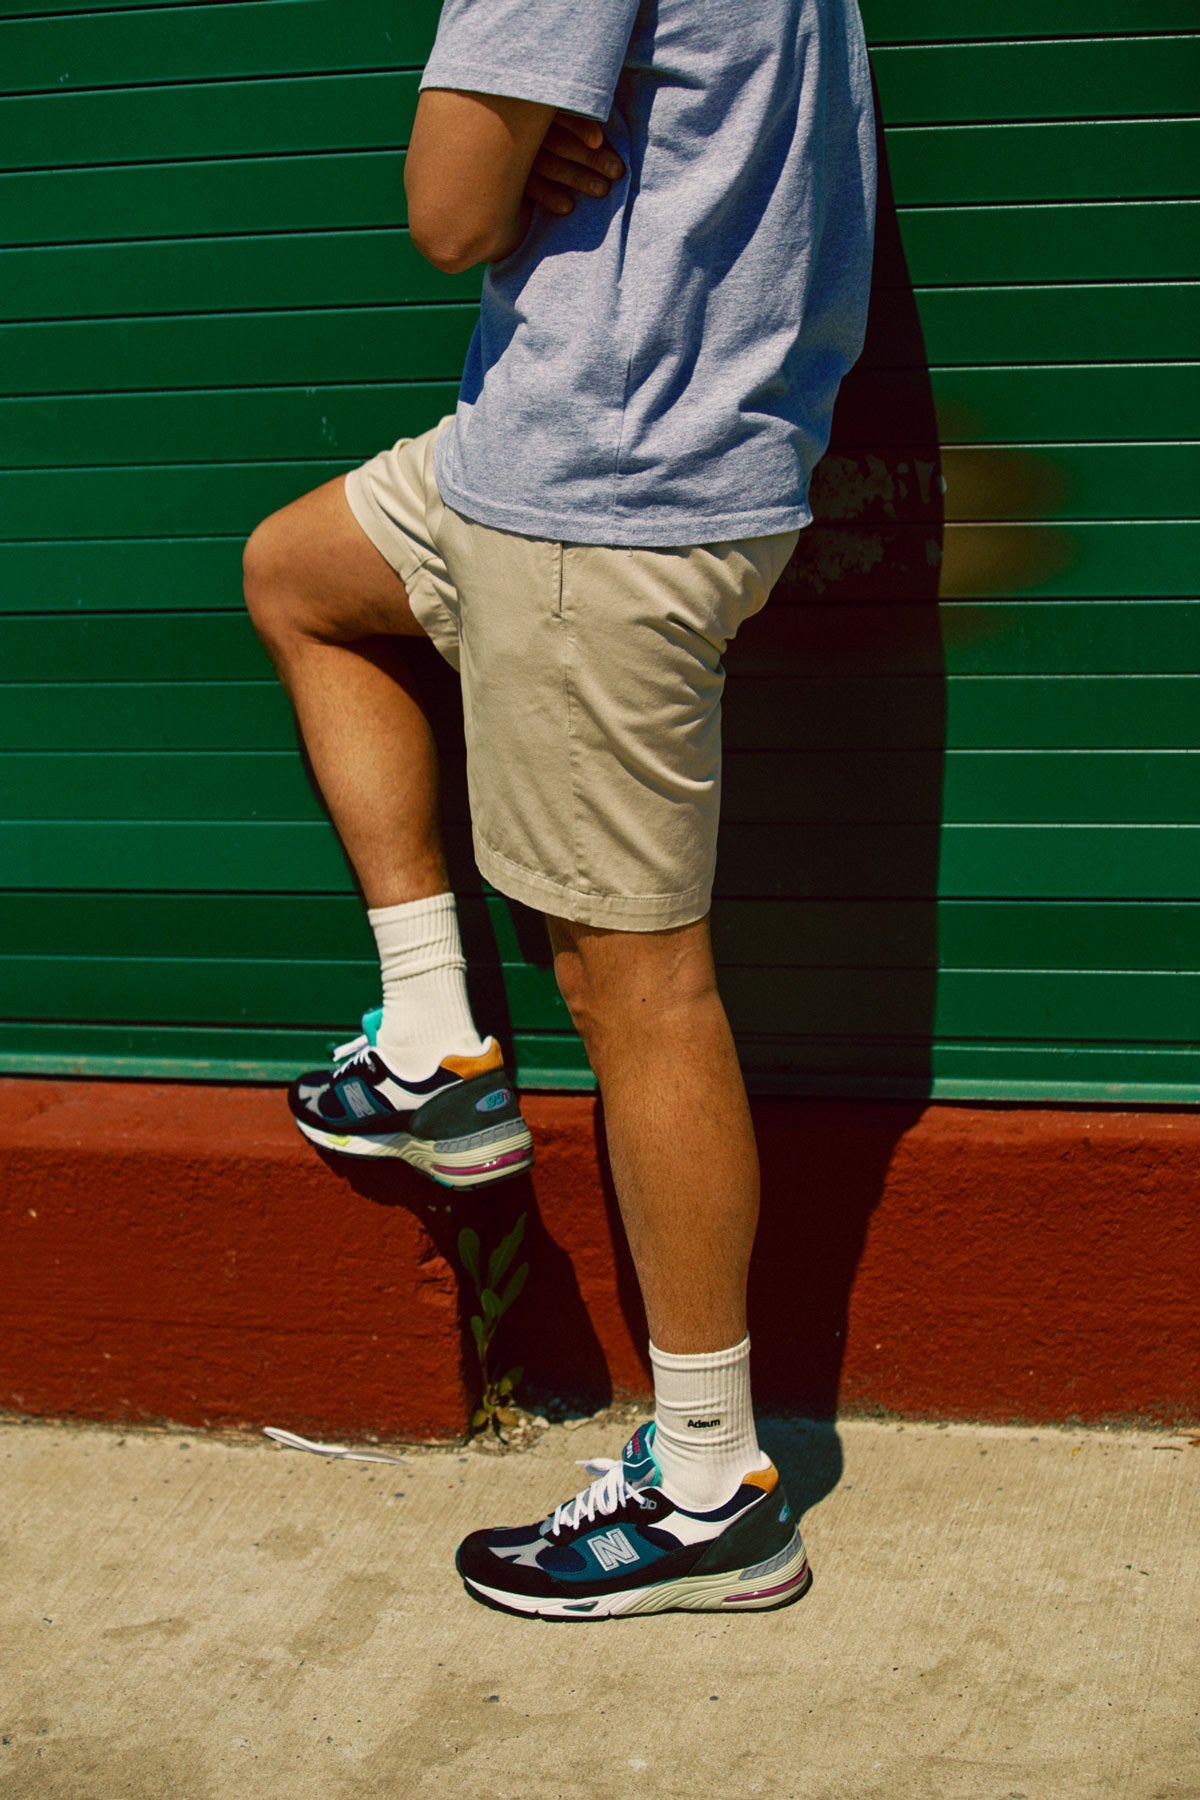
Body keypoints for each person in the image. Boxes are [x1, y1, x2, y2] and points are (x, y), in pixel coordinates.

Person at [243, 0, 875, 1619]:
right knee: (300, 575)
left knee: (638, 986)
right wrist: (543, 145)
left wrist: (509, 159)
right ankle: (434, 1044)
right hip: (536, 462)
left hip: (608, 505)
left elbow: (447, 210)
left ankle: (710, 1486)